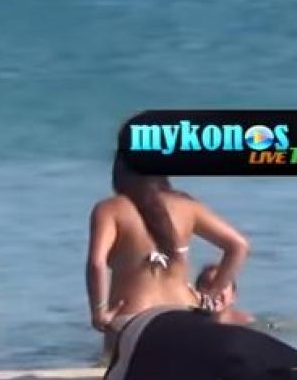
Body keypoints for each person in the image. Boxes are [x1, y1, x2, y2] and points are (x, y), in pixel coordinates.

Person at [85, 149, 250, 354]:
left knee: (122, 373)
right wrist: (212, 296)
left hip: (133, 319)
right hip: (184, 316)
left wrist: (99, 313)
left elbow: (96, 264)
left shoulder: (110, 209)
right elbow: (238, 246)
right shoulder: (187, 207)